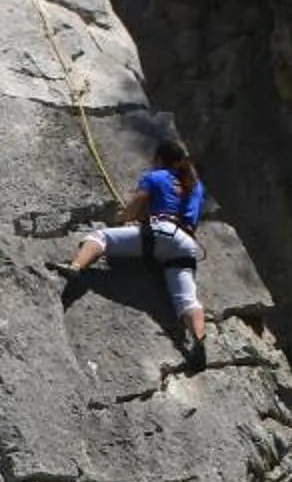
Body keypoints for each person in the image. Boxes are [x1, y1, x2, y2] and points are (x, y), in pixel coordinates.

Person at [64, 136, 208, 368]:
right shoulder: (195, 185)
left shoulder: (155, 176)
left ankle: (76, 267)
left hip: (160, 232)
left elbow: (139, 203)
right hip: (185, 243)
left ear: (159, 159)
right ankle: (199, 341)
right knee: (187, 301)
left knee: (100, 237)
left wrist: (121, 218)